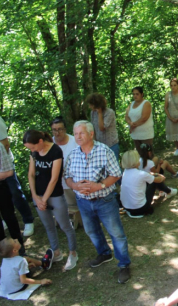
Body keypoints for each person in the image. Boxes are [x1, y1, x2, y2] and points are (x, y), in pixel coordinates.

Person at [64, 121, 131, 284]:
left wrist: (98, 186)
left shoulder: (104, 151)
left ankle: (124, 265)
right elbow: (67, 176)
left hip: (105, 200)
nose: (78, 137)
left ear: (91, 134)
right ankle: (104, 253)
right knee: (91, 231)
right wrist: (74, 186)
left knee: (116, 233)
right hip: (83, 201)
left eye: (82, 133)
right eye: (76, 133)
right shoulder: (73, 154)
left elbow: (116, 174)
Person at [23, 130, 78, 271]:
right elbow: (31, 175)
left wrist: (44, 199)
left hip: (55, 195)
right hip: (39, 196)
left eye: (33, 147)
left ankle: (73, 253)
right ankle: (56, 252)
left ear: (40, 142)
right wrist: (35, 196)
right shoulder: (34, 153)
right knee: (49, 226)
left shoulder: (55, 151)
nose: (32, 150)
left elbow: (54, 179)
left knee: (65, 226)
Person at [0, 115, 35, 237]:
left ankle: (28, 220)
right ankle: (4, 220)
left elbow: (5, 144)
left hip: (5, 165)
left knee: (15, 192)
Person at [120, 150, 176, 218]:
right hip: (140, 209)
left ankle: (168, 192)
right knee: (154, 181)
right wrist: (161, 177)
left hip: (127, 207)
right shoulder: (141, 174)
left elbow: (144, 176)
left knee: (151, 179)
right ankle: (169, 191)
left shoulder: (125, 172)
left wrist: (152, 174)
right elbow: (158, 179)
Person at [0, 142, 26, 257]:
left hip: (1, 187)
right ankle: (5, 258)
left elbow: (9, 171)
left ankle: (21, 254)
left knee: (10, 219)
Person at [51, 116, 79, 210]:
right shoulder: (49, 144)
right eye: (54, 130)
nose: (57, 133)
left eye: (60, 129)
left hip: (74, 182)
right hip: (57, 184)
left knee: (77, 208)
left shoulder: (75, 142)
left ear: (65, 129)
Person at [86, 93, 120, 161]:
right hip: (99, 145)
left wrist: (100, 113)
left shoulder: (109, 112)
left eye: (91, 105)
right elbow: (93, 128)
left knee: (113, 165)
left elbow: (102, 128)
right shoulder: (92, 113)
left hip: (111, 145)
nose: (89, 107)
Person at [125, 86, 154, 152]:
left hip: (145, 135)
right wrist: (130, 123)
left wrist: (133, 126)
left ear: (142, 94)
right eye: (134, 94)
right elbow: (126, 116)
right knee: (139, 155)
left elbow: (144, 118)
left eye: (137, 94)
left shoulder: (146, 103)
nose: (135, 96)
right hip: (135, 135)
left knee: (148, 155)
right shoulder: (131, 104)